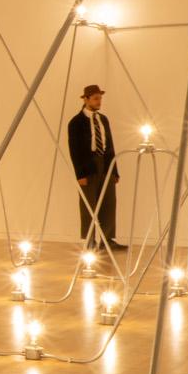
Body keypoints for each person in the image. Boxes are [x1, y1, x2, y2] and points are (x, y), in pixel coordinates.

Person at [67, 85, 125, 251]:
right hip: (88, 166)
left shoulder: (103, 119)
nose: (99, 101)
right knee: (88, 203)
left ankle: (107, 239)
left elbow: (110, 145)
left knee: (109, 201)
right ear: (85, 99)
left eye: (100, 98)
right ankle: (89, 239)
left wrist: (114, 171)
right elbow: (74, 150)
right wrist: (80, 174)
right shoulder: (76, 122)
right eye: (95, 98)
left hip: (105, 164)